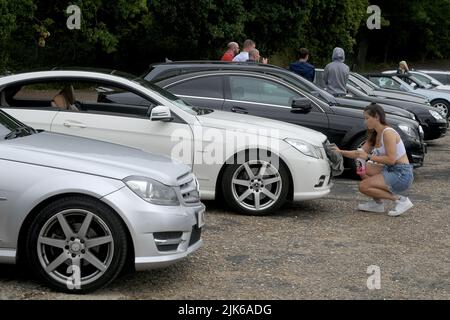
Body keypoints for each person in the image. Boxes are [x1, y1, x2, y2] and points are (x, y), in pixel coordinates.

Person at [332, 103, 414, 217]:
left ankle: (401, 200)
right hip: (390, 169)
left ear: (376, 117)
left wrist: (369, 157)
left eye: (367, 118)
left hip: (402, 174)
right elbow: (359, 153)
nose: (365, 121)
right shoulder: (374, 134)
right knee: (362, 168)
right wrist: (340, 151)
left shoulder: (388, 133)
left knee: (363, 186)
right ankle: (377, 203)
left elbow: (391, 160)